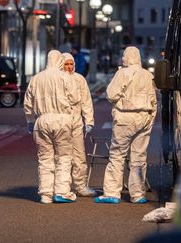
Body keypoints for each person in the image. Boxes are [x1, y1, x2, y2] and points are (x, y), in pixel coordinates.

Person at [95, 46, 157, 204]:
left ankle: (112, 193)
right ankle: (137, 194)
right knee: (139, 157)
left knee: (117, 155)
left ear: (126, 57)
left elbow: (111, 94)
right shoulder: (148, 75)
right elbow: (154, 100)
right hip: (144, 116)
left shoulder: (122, 73)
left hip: (125, 117)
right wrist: (150, 119)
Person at [24, 50, 80, 204]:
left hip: (42, 120)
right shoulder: (65, 77)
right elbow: (75, 98)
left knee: (45, 158)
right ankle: (61, 192)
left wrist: (30, 121)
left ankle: (46, 194)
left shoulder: (36, 78)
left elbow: (28, 103)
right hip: (62, 119)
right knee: (63, 156)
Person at [62, 52, 96, 197]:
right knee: (62, 156)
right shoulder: (56, 80)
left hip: (76, 123)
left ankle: (80, 185)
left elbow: (86, 102)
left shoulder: (79, 79)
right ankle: (62, 186)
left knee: (79, 156)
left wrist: (89, 121)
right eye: (66, 64)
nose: (69, 67)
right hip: (61, 123)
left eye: (71, 64)